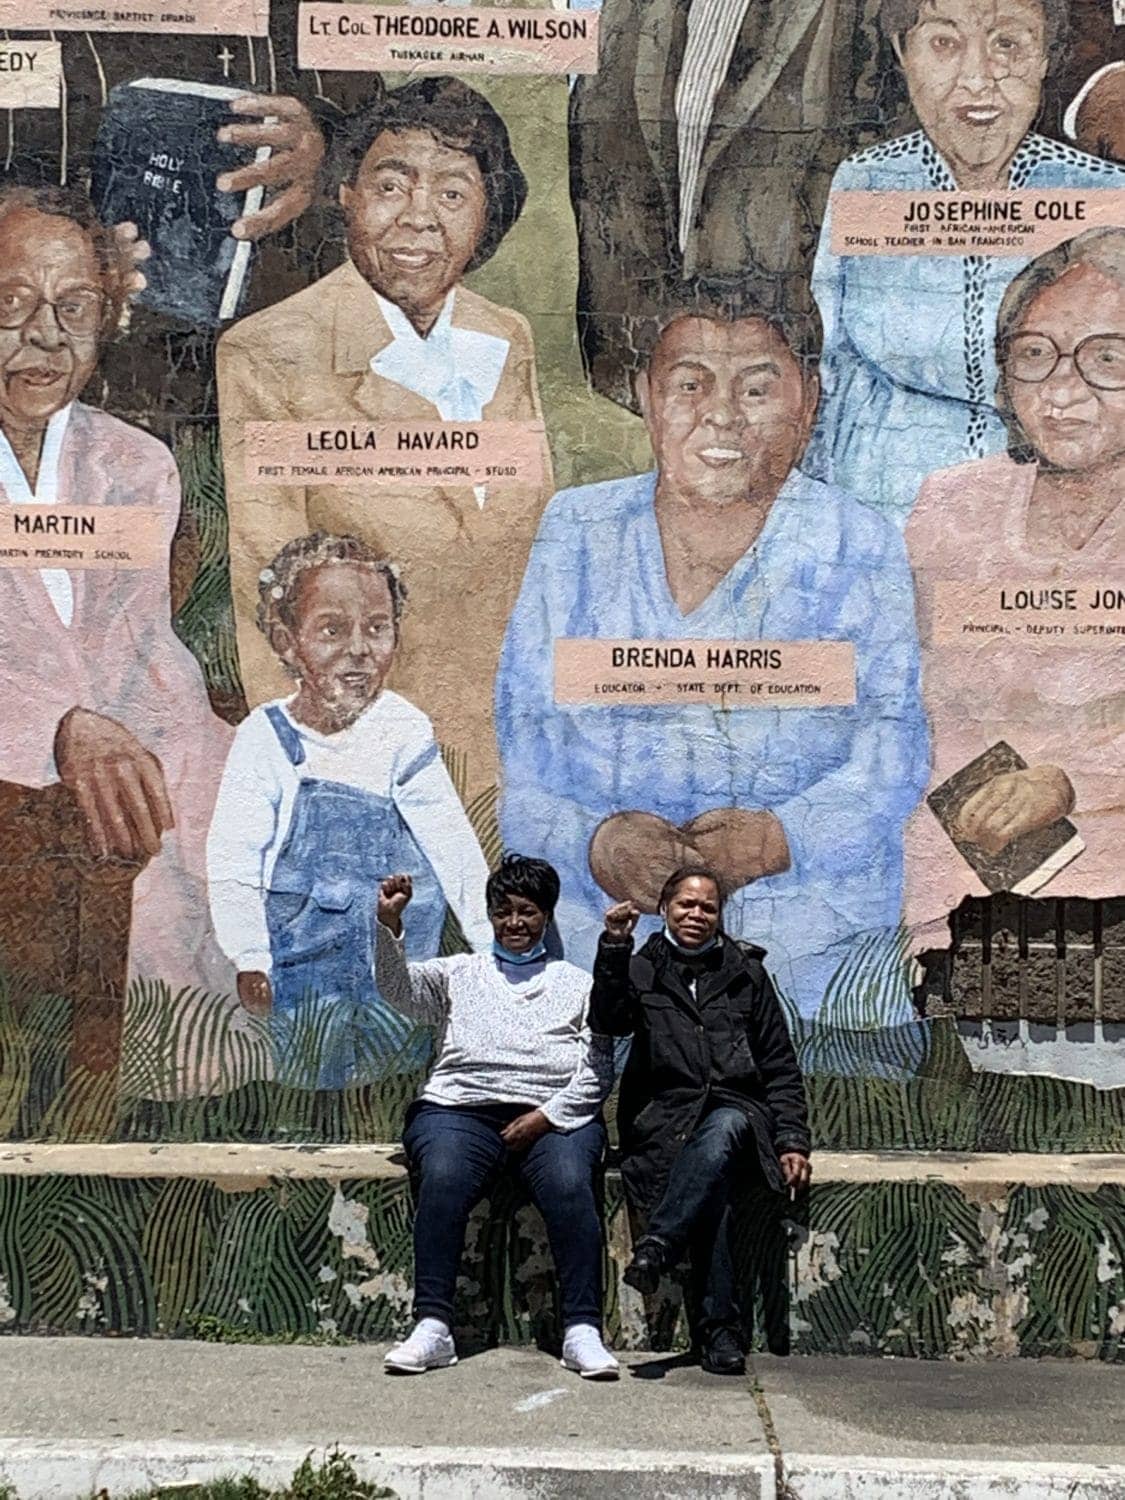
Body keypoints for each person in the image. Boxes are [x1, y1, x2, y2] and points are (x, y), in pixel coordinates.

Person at [496, 282, 929, 1017]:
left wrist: (778, 838)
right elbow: (525, 746)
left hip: (805, 942)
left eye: (757, 388)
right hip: (606, 939)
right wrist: (596, 842)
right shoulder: (578, 530)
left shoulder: (856, 542)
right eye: (689, 384)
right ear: (644, 396)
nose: (721, 414)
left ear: (809, 398)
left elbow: (893, 754)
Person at [218, 76, 553, 802]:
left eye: (453, 194)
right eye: (392, 186)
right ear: (345, 193)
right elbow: (264, 604)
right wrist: (324, 779)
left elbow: (529, 559)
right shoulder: (267, 352)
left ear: (489, 214)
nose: (419, 220)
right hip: (368, 759)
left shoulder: (506, 337)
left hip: (520, 751)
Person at [0, 185, 233, 993]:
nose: (44, 335)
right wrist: (58, 724)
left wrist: (183, 760)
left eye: (75, 307)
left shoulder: (136, 465)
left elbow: (146, 651)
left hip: (131, 751)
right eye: (12, 301)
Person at [810, 0, 1125, 525]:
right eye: (944, 43)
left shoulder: (1106, 194)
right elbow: (833, 370)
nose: (978, 79)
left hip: (1055, 530)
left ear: (1045, 56)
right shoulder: (865, 184)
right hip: (877, 519)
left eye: (1007, 43)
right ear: (902, 52)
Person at [206, 533, 493, 1090]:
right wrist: (249, 953)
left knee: (394, 1068)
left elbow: (450, 840)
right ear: (288, 643)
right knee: (312, 1067)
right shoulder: (265, 738)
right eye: (333, 630)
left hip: (395, 941)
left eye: (378, 628)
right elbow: (234, 856)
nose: (359, 649)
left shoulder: (401, 728)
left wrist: (489, 941)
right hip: (303, 940)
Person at [904, 227, 1125, 946]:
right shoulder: (948, 504)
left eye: (1105, 359)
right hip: (948, 893)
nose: (1062, 393)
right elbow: (888, 694)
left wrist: (1069, 783)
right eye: (1034, 356)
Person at [567, 0, 902, 410]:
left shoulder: (871, 12)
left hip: (808, 404)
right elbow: (604, 186)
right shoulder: (624, 10)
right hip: (654, 405)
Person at [375, 855, 618, 1379]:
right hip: (459, 1110)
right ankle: (433, 1326)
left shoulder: (577, 984)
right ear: (489, 914)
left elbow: (598, 1069)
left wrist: (546, 1118)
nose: (514, 923)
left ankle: (581, 1329)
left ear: (546, 916)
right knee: (442, 1174)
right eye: (502, 911)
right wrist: (391, 925)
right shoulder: (458, 973)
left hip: (552, 1118)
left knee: (572, 1182)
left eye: (527, 912)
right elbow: (397, 990)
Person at [591, 868, 811, 1375]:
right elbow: (608, 1020)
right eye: (686, 905)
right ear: (665, 908)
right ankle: (719, 1334)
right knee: (713, 1188)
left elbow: (779, 1064)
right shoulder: (641, 966)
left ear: (719, 916)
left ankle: (657, 1245)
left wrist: (792, 1139)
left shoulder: (745, 973)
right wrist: (612, 948)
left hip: (741, 1116)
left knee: (729, 1124)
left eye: (707, 907)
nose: (696, 915)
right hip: (666, 1122)